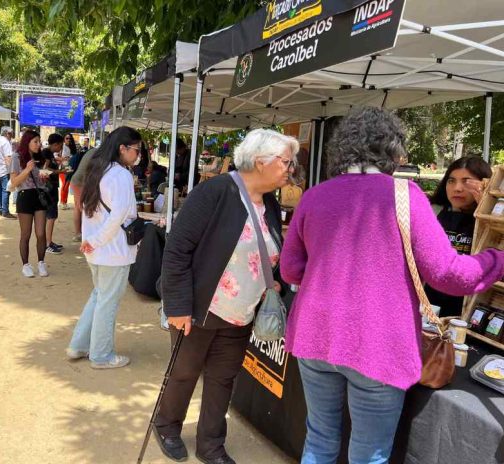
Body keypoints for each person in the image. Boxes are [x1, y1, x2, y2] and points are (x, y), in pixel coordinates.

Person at [280, 107, 504, 464]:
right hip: (375, 342)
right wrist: (497, 258)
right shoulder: (405, 195)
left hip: (314, 334)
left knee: (319, 439)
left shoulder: (314, 196)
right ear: (392, 151)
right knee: (369, 455)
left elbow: (291, 271)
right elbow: (449, 274)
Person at [155, 129, 296, 464]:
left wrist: (273, 283)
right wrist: (177, 306)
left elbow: (267, 253)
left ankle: (211, 445)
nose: (289, 170)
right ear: (261, 161)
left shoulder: (271, 204)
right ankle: (167, 425)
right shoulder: (215, 192)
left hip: (241, 313)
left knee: (223, 380)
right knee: (185, 372)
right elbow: (177, 251)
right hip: (200, 308)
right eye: (286, 162)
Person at [67, 127, 141, 369]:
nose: (138, 155)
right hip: (111, 250)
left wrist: (91, 241)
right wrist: (96, 241)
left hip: (96, 248)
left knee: (99, 296)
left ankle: (80, 344)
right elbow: (118, 215)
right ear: (123, 148)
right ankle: (101, 355)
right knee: (107, 301)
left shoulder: (98, 169)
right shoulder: (120, 175)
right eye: (136, 150)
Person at [425, 156, 492, 317]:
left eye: (466, 181)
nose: (457, 188)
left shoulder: (493, 220)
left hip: (471, 311)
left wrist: (485, 210)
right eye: (451, 181)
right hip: (428, 304)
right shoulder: (431, 212)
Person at [9, 130, 50, 278]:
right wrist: (27, 169)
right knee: (25, 234)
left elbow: (40, 179)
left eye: (39, 142)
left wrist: (44, 176)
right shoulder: (16, 157)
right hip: (25, 195)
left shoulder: (40, 157)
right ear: (27, 142)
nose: (39, 145)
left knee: (41, 233)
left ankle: (41, 262)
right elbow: (14, 182)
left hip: (40, 195)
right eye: (36, 141)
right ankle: (25, 264)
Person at [70, 145, 99, 243]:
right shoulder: (100, 154)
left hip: (77, 180)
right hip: (80, 182)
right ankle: (80, 234)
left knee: (78, 207)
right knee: (81, 208)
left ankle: (79, 233)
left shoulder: (94, 151)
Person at [41, 133, 65, 254]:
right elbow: (45, 169)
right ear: (55, 144)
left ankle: (48, 241)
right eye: (60, 145)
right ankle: (47, 244)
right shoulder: (46, 153)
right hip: (48, 189)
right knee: (51, 216)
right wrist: (59, 171)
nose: (60, 148)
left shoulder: (49, 154)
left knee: (51, 216)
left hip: (51, 187)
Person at [0, 127, 16, 218]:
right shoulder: (6, 143)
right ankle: (5, 211)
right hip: (4, 170)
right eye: (11, 134)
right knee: (6, 190)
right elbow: (8, 158)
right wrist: (12, 170)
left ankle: (0, 209)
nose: (12, 136)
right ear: (7, 134)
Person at [60, 134, 79, 210]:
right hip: (63, 168)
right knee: (65, 185)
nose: (68, 140)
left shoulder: (72, 148)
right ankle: (62, 202)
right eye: (67, 138)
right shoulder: (62, 147)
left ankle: (64, 202)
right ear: (64, 139)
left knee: (67, 185)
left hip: (70, 168)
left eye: (70, 138)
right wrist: (63, 158)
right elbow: (55, 156)